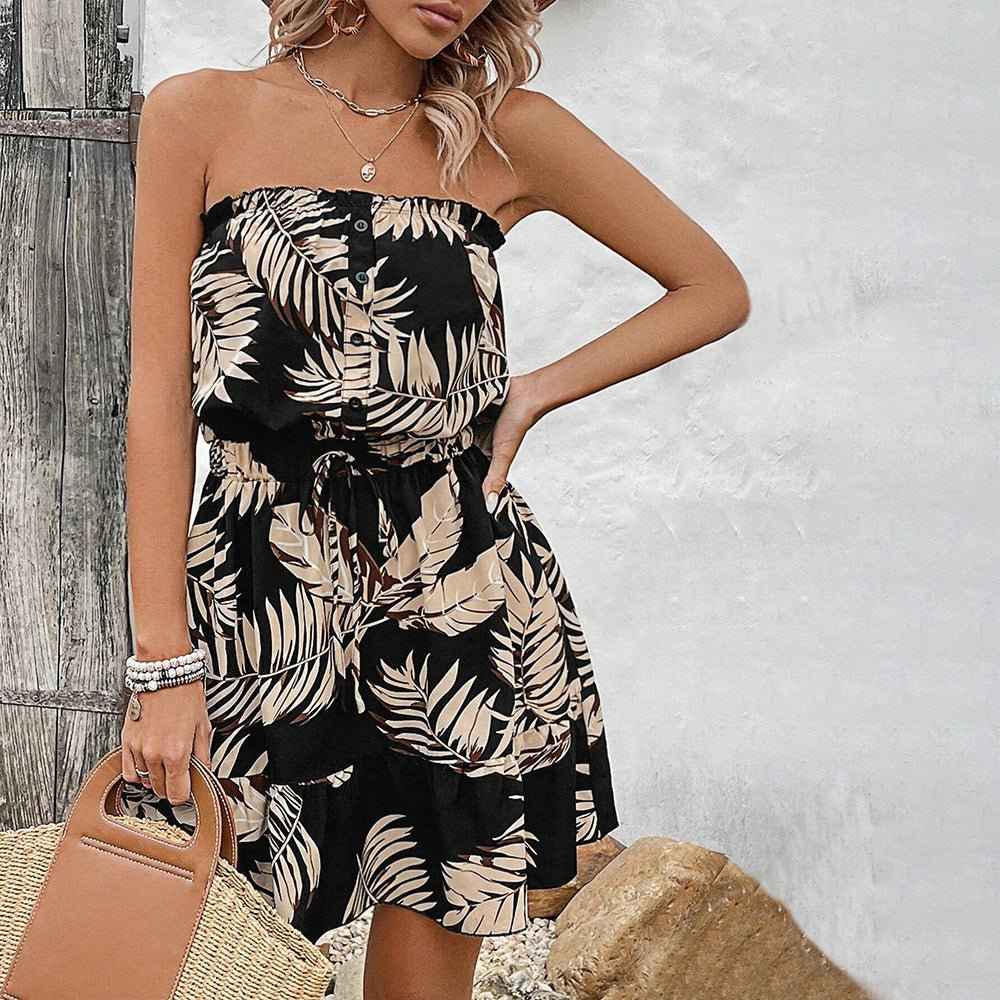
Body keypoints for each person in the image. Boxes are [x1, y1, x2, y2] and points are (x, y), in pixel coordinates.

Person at [119, 1, 751, 997]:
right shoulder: (198, 113)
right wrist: (163, 663)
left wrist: (535, 391)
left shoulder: (510, 131)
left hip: (459, 594)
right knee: (227, 963)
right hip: (259, 594)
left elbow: (711, 286)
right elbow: (159, 398)